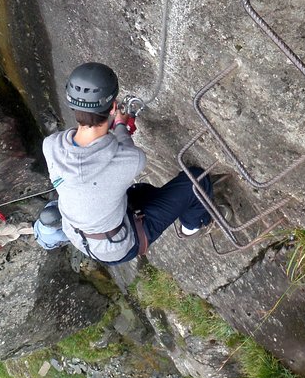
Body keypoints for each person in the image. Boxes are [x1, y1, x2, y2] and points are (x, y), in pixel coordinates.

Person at [42, 62, 213, 264]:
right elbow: (125, 150)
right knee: (197, 182)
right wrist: (121, 125)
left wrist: (117, 126)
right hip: (119, 246)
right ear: (114, 107)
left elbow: (105, 151)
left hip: (82, 236)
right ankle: (192, 226)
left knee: (142, 191)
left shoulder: (51, 145)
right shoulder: (131, 161)